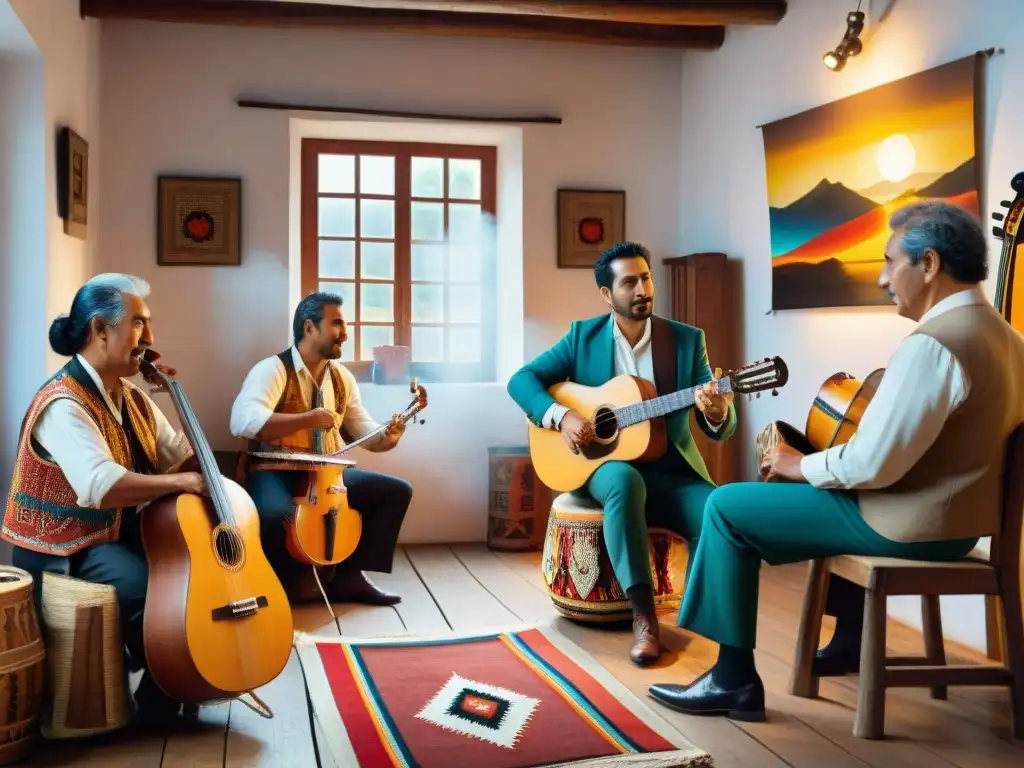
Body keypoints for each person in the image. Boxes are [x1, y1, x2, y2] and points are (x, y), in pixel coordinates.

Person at [648, 200, 1024, 722]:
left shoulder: (932, 347)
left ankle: (731, 679)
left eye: (892, 262)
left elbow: (873, 464)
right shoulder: (1011, 340)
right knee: (815, 487)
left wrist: (795, 464)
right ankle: (849, 638)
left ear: (931, 264)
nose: (885, 279)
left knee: (728, 506)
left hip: (906, 524)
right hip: (960, 527)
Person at [506, 241, 736, 665]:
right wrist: (562, 418)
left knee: (718, 509)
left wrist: (718, 411)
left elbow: (717, 422)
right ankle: (644, 618)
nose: (642, 289)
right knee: (625, 481)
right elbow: (521, 381)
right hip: (605, 466)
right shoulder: (582, 337)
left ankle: (708, 620)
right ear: (606, 294)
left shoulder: (687, 341)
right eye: (629, 282)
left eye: (645, 278)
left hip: (671, 467)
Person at [1, 273, 206, 726]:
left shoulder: (131, 397)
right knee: (163, 591)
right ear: (100, 330)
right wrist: (181, 485)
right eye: (138, 323)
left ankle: (170, 687)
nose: (149, 338)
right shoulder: (62, 403)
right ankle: (163, 695)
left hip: (115, 534)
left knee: (196, 577)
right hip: (68, 547)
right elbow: (102, 486)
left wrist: (176, 399)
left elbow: (182, 460)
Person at [229, 291, 411, 606]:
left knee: (395, 491)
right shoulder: (272, 369)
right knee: (274, 512)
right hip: (276, 471)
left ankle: (349, 578)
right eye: (337, 323)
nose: (345, 332)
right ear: (310, 327)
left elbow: (362, 429)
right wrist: (307, 419)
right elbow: (243, 422)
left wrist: (388, 438)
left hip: (329, 477)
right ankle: (280, 584)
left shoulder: (341, 377)